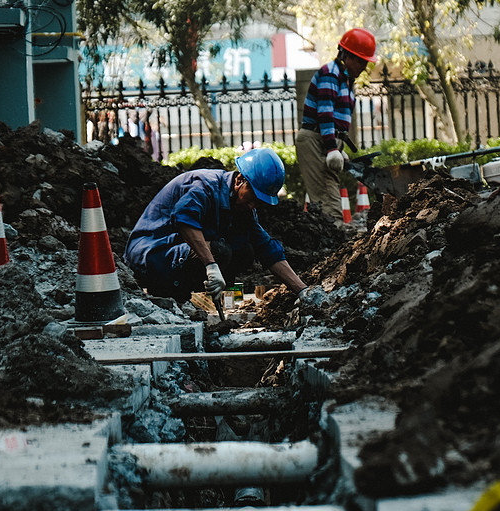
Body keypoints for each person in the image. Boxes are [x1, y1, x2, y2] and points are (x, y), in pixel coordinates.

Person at [124, 147, 325, 313]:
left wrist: (303, 291)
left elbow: (267, 249)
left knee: (244, 250)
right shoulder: (205, 187)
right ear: (239, 180)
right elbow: (185, 221)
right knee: (219, 251)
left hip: (175, 253)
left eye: (260, 203)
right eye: (253, 198)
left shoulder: (241, 205)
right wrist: (211, 267)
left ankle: (188, 300)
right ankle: (174, 297)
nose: (254, 206)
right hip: (151, 253)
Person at [296, 28, 377, 216]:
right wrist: (332, 148)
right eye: (361, 61)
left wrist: (338, 148)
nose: (364, 67)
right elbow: (325, 113)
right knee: (326, 201)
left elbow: (337, 120)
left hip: (324, 141)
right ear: (346, 56)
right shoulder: (330, 73)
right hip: (315, 140)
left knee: (330, 198)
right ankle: (331, 240)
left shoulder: (346, 80)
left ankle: (332, 238)